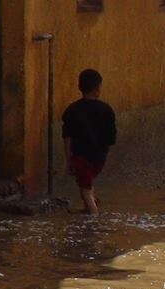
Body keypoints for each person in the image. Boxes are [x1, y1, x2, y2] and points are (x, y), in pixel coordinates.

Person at [61, 68, 116, 215]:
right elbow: (111, 139)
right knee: (87, 183)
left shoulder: (72, 110)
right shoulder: (107, 110)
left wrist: (69, 160)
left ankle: (93, 220)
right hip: (99, 159)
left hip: (81, 158)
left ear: (80, 87)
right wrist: (103, 155)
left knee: (84, 190)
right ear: (98, 88)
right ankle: (90, 208)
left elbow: (67, 138)